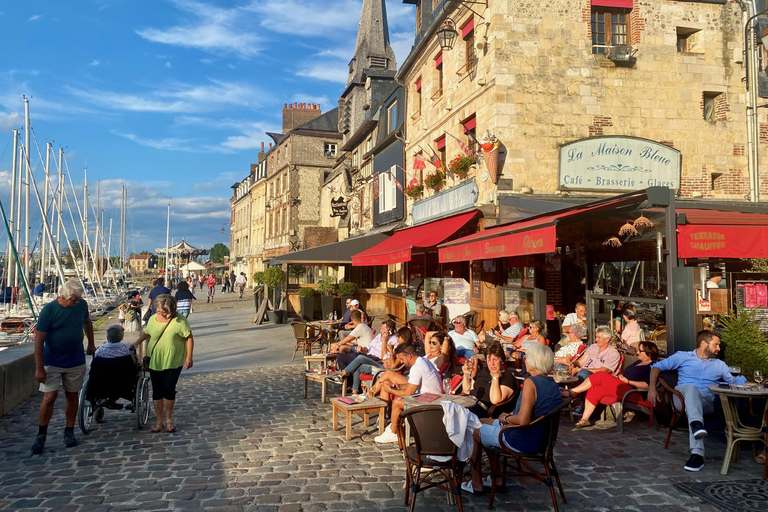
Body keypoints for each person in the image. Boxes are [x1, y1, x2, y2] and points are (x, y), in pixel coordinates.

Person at [464, 344, 562, 494]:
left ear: (535, 361)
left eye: (527, 358)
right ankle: (496, 476)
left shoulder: (531, 382)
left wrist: (508, 417)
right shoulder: (552, 383)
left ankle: (476, 482)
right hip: (541, 439)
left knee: (472, 428)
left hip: (520, 439)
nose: (525, 361)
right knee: (481, 421)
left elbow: (523, 420)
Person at [647, 330, 747, 472]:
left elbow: (734, 382)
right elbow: (656, 367)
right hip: (681, 399)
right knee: (691, 389)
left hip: (706, 402)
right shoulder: (682, 357)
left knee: (695, 403)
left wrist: (750, 382)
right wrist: (652, 388)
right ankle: (696, 428)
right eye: (716, 345)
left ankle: (697, 451)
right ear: (703, 344)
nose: (718, 348)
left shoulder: (720, 365)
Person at [31, 280, 96, 454]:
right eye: (74, 299)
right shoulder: (49, 311)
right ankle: (41, 433)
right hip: (53, 360)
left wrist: (91, 343)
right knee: (49, 397)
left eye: (78, 299)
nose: (77, 302)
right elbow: (39, 340)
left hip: (75, 359)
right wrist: (39, 367)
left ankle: (69, 430)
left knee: (72, 395)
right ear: (63, 296)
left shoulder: (81, 305)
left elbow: (87, 322)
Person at [132, 294, 194, 433]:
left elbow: (189, 337)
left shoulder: (179, 320)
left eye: (163, 311)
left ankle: (168, 419)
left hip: (173, 360)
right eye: (158, 310)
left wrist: (189, 356)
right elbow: (147, 333)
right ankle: (159, 421)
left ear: (171, 309)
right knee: (157, 391)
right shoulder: (153, 318)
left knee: (169, 389)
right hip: (155, 359)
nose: (160, 313)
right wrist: (136, 343)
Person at [563, 341, 660, 427]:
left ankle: (573, 392)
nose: (637, 352)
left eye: (640, 351)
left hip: (633, 391)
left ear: (649, 353)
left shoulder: (652, 366)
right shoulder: (638, 362)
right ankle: (584, 419)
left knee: (600, 375)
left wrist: (628, 381)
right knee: (596, 389)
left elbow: (647, 385)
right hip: (622, 385)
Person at [373, 343, 444, 444]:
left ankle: (393, 433)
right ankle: (394, 425)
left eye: (402, 359)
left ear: (409, 356)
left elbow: (408, 393)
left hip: (430, 401)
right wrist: (397, 386)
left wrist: (391, 391)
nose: (401, 362)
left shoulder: (417, 367)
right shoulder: (422, 361)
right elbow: (412, 385)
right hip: (431, 396)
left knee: (397, 402)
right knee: (393, 389)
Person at [461, 341, 519, 419]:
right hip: (468, 402)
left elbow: (495, 400)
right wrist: (466, 375)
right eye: (489, 360)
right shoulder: (484, 371)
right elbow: (467, 390)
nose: (491, 364)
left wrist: (495, 378)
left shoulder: (507, 377)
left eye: (495, 360)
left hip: (480, 409)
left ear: (502, 360)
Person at [339, 319, 398, 393]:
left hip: (377, 359)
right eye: (381, 328)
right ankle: (348, 384)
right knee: (341, 356)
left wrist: (384, 341)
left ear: (390, 330)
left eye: (383, 329)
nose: (380, 331)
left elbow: (384, 357)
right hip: (367, 355)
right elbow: (368, 347)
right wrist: (362, 349)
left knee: (360, 359)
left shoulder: (394, 340)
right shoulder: (379, 335)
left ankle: (343, 374)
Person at [94, 325, 138, 410]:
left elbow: (92, 366)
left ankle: (110, 400)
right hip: (125, 382)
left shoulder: (100, 350)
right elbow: (137, 363)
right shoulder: (128, 349)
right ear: (121, 337)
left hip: (104, 383)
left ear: (107, 338)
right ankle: (133, 401)